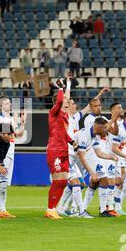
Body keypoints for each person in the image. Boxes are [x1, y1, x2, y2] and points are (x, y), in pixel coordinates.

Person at [56, 84, 109, 216]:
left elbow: (89, 106)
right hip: (65, 153)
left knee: (79, 184)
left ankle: (61, 208)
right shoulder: (63, 117)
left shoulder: (76, 118)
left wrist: (100, 93)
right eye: (71, 103)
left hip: (72, 154)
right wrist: (66, 86)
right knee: (75, 183)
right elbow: (64, 101)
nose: (74, 105)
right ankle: (79, 211)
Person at [81, 97, 119, 217]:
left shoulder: (103, 119)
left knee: (96, 182)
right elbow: (101, 131)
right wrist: (113, 118)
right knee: (102, 180)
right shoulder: (89, 119)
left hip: (101, 153)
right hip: (91, 153)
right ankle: (101, 209)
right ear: (91, 107)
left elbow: (113, 132)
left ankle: (85, 208)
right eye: (96, 106)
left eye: (100, 105)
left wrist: (114, 120)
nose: (99, 107)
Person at [0, 96, 26, 218]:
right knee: (1, 181)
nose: (9, 104)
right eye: (6, 103)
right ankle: (1, 209)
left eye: (9, 102)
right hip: (1, 153)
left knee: (1, 182)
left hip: (10, 152)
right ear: (0, 106)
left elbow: (19, 134)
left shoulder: (11, 118)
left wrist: (22, 122)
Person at [44, 82, 73, 220]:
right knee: (57, 181)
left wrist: (72, 141)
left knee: (63, 181)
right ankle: (50, 209)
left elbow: (63, 133)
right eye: (65, 100)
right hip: (54, 150)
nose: (67, 102)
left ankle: (53, 208)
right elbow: (61, 99)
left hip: (64, 150)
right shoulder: (53, 112)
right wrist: (61, 87)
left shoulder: (65, 116)